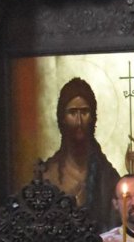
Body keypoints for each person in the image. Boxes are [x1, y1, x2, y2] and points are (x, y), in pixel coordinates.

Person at [37, 78, 127, 233]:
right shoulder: (47, 174)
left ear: (93, 117)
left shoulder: (107, 176)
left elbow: (116, 229)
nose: (79, 121)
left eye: (84, 112)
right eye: (72, 113)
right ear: (62, 118)